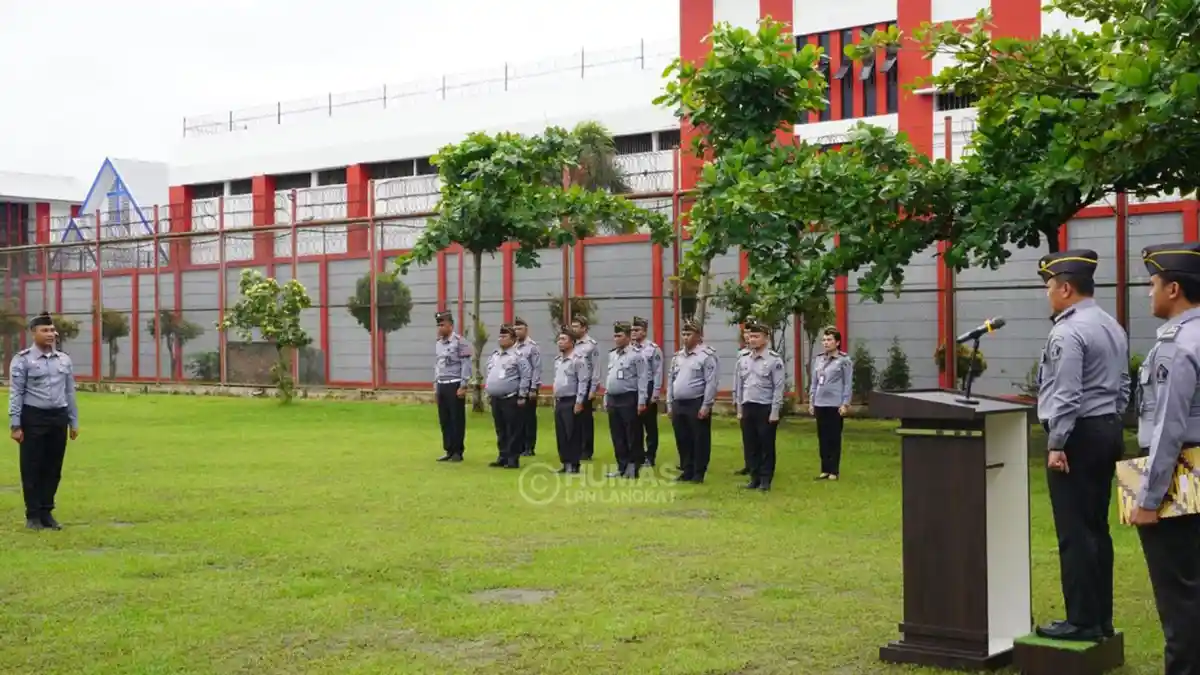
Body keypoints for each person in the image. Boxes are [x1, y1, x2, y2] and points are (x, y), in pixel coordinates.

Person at [1034, 249, 1129, 641]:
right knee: (1096, 529)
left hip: (1078, 434)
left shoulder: (1068, 330)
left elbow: (1067, 393)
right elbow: (1124, 385)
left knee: (1074, 532)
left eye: (1049, 287)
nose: (1048, 295)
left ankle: (1081, 621)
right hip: (1107, 428)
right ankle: (1099, 618)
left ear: (1066, 288)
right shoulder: (1110, 325)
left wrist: (1057, 442)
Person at [1127, 242, 1200, 673]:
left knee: (1179, 592)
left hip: (1182, 469)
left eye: (1152, 284)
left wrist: (1149, 499)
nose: (1148, 293)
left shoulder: (1177, 345)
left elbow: (1169, 428)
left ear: (1173, 288)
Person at [9, 311, 79, 531]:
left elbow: (69, 393)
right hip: (33, 417)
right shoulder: (23, 360)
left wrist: (73, 421)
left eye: (52, 330)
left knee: (53, 468)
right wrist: (15, 424)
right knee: (32, 467)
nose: (51, 334)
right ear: (33, 333)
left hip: (58, 417)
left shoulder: (64, 360)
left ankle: (47, 512)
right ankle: (33, 515)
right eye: (45, 330)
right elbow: (16, 393)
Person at [734, 318, 786, 491]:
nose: (752, 339)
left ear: (766, 338)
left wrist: (775, 411)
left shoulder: (774, 360)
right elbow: (740, 386)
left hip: (765, 406)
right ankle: (754, 478)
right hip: (748, 405)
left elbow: (778, 387)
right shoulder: (744, 359)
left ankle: (765, 480)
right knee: (751, 445)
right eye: (751, 336)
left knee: (766, 445)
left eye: (756, 336)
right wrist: (740, 408)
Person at [666, 317, 718, 483]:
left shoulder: (706, 355)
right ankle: (686, 469)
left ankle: (698, 472)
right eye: (683, 333)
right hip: (679, 403)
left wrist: (706, 405)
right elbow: (671, 380)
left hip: (697, 401)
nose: (685, 337)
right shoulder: (678, 356)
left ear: (699, 335)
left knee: (699, 439)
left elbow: (711, 382)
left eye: (689, 334)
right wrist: (669, 402)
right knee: (683, 438)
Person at [603, 321, 649, 479]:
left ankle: (633, 467)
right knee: (618, 435)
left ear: (628, 337)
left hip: (629, 398)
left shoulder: (636, 355)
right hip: (613, 398)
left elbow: (643, 379)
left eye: (619, 335)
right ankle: (621, 466)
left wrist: (642, 401)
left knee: (632, 434)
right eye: (615, 335)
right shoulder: (612, 354)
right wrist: (606, 397)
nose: (616, 339)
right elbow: (609, 377)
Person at [808, 326, 853, 481]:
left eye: (829, 340)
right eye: (824, 340)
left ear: (837, 342)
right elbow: (814, 382)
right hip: (820, 402)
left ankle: (834, 470)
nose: (826, 343)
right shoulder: (819, 359)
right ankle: (824, 469)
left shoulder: (843, 360)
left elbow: (847, 383)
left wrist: (845, 403)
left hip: (835, 404)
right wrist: (811, 401)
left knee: (834, 437)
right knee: (823, 437)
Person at [484, 324, 531, 470]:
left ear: (513, 340)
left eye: (505, 336)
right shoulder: (495, 355)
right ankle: (502, 456)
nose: (501, 339)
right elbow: (490, 373)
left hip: (511, 397)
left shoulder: (518, 356)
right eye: (500, 336)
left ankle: (512, 458)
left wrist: (522, 394)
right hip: (496, 398)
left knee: (513, 429)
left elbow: (526, 375)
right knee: (501, 429)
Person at [433, 310, 470, 462]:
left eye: (442, 325)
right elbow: (437, 365)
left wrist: (464, 384)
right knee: (445, 419)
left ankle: (457, 451)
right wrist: (436, 386)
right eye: (438, 325)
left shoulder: (461, 342)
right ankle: (448, 449)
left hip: (454, 384)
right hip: (442, 384)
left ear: (451, 326)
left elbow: (466, 364)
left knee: (456, 419)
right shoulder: (438, 344)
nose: (440, 328)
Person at [552, 327, 589, 474]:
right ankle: (565, 462)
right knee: (561, 434)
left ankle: (574, 464)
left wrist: (579, 401)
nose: (560, 342)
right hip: (560, 400)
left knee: (572, 433)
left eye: (563, 339)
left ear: (572, 342)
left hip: (572, 400)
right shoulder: (558, 361)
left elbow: (583, 381)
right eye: (559, 339)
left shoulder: (578, 360)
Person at [631, 316, 663, 467]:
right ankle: (638, 454)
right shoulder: (629, 348)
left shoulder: (653, 349)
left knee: (649, 424)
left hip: (648, 386)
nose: (634, 333)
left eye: (637, 330)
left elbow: (657, 371)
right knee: (634, 423)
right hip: (633, 387)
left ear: (644, 331)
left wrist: (656, 392)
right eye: (632, 330)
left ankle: (650, 456)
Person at [570, 316, 600, 461]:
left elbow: (595, 367)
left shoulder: (591, 345)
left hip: (586, 383)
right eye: (572, 326)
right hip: (572, 383)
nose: (574, 329)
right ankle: (575, 447)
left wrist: (593, 388)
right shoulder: (571, 343)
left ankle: (586, 450)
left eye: (577, 326)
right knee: (573, 418)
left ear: (584, 328)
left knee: (585, 419)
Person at [513, 317, 542, 457]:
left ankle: (529, 446)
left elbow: (536, 368)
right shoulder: (512, 346)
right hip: (515, 387)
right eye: (515, 329)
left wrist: (533, 388)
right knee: (516, 418)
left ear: (526, 329)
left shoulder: (532, 346)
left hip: (529, 386)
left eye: (520, 329)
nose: (517, 332)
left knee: (528, 418)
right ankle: (518, 445)